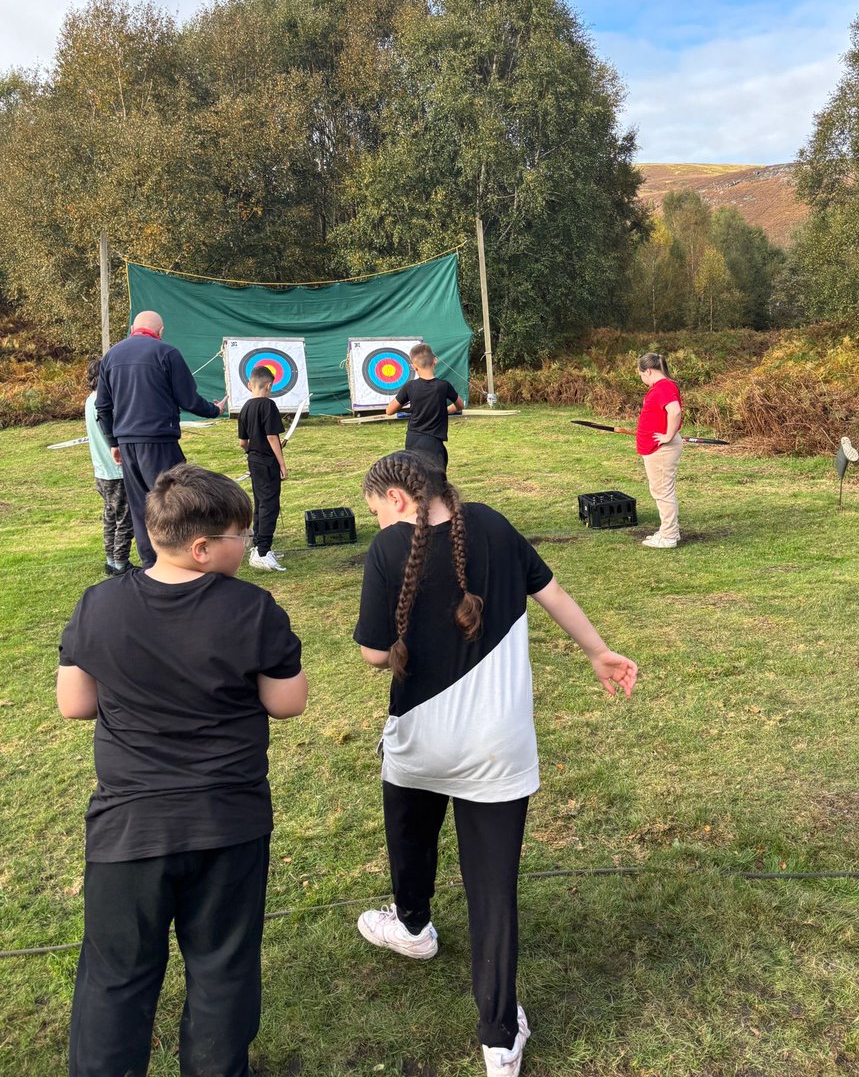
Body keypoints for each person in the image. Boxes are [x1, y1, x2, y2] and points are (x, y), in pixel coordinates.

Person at [353, 450, 637, 1077]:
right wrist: (598, 651)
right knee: (493, 889)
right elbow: (552, 592)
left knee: (410, 840)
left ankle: (414, 927)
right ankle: (500, 1039)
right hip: (497, 750)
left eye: (376, 512)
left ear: (397, 499)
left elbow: (373, 653)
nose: (378, 524)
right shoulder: (493, 524)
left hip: (419, 743)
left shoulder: (388, 548)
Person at [57, 464, 308, 1077]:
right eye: (240, 537)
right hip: (228, 824)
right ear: (202, 548)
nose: (245, 546)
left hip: (128, 830)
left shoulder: (97, 605)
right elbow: (287, 702)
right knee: (222, 968)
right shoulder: (252, 608)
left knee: (116, 976)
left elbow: (75, 704)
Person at [95, 310, 227, 568]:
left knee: (140, 505)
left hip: (127, 443)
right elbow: (188, 399)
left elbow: (103, 407)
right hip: (159, 440)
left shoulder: (111, 355)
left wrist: (113, 442)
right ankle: (180, 558)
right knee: (174, 499)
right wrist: (215, 410)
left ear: (132, 328)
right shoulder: (166, 353)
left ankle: (150, 563)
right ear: (160, 331)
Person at [85, 358, 134, 575]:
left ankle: (111, 560)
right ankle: (121, 563)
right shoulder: (105, 403)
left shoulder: (90, 400)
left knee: (110, 516)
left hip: (102, 471)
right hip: (116, 471)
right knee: (125, 519)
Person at [238, 365, 288, 573]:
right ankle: (262, 552)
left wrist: (253, 450)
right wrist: (282, 463)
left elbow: (243, 442)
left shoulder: (245, 407)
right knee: (269, 505)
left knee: (260, 503)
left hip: (254, 460)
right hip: (267, 462)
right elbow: (271, 436)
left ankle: (259, 546)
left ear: (251, 384)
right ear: (268, 385)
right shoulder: (268, 405)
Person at [385, 343, 464, 471]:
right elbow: (460, 405)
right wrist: (446, 410)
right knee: (436, 477)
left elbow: (389, 410)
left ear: (413, 366)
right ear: (435, 361)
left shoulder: (409, 386)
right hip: (433, 443)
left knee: (415, 476)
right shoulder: (444, 386)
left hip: (412, 440)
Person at [635, 351, 684, 548]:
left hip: (661, 449)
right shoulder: (663, 386)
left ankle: (669, 536)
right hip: (655, 448)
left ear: (648, 371)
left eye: (641, 374)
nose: (642, 379)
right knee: (661, 490)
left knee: (663, 491)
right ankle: (669, 530)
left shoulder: (663, 387)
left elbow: (675, 411)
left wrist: (668, 435)